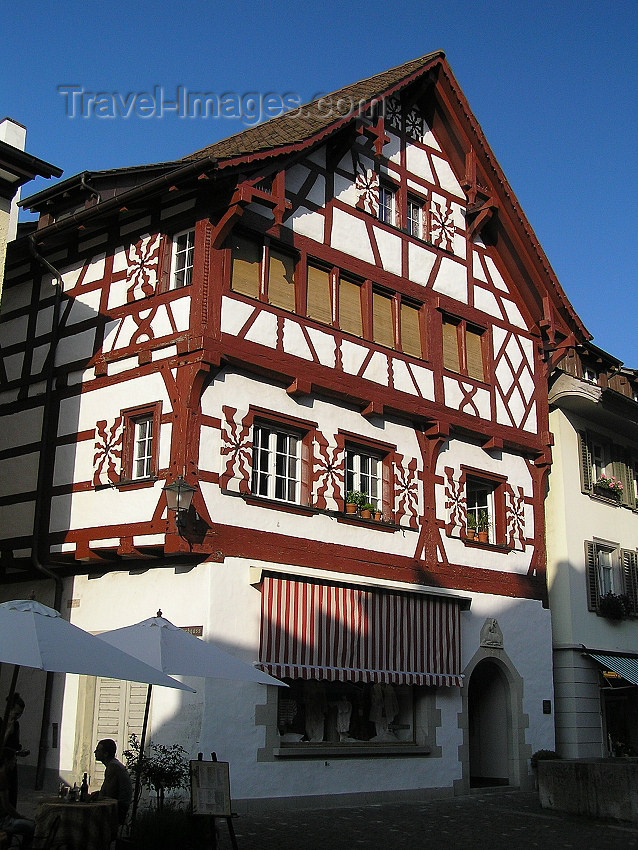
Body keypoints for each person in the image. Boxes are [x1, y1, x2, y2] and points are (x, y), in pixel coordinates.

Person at [91, 739, 133, 826]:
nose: (95, 752)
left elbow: (110, 796)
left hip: (117, 810)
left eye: (98, 750)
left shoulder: (113, 767)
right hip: (118, 807)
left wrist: (95, 799)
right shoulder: (114, 765)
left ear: (106, 754)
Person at [0, 747, 34, 848]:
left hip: (4, 818)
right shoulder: (2, 777)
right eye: (14, 760)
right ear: (7, 761)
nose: (15, 763)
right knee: (33, 827)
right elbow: (6, 805)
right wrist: (19, 816)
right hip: (3, 821)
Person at [3, 693, 29, 809]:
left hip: (12, 762)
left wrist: (20, 751)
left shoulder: (16, 725)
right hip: (3, 763)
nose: (18, 717)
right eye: (17, 713)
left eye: (20, 714)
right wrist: (8, 729)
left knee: (12, 793)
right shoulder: (2, 723)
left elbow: (15, 745)